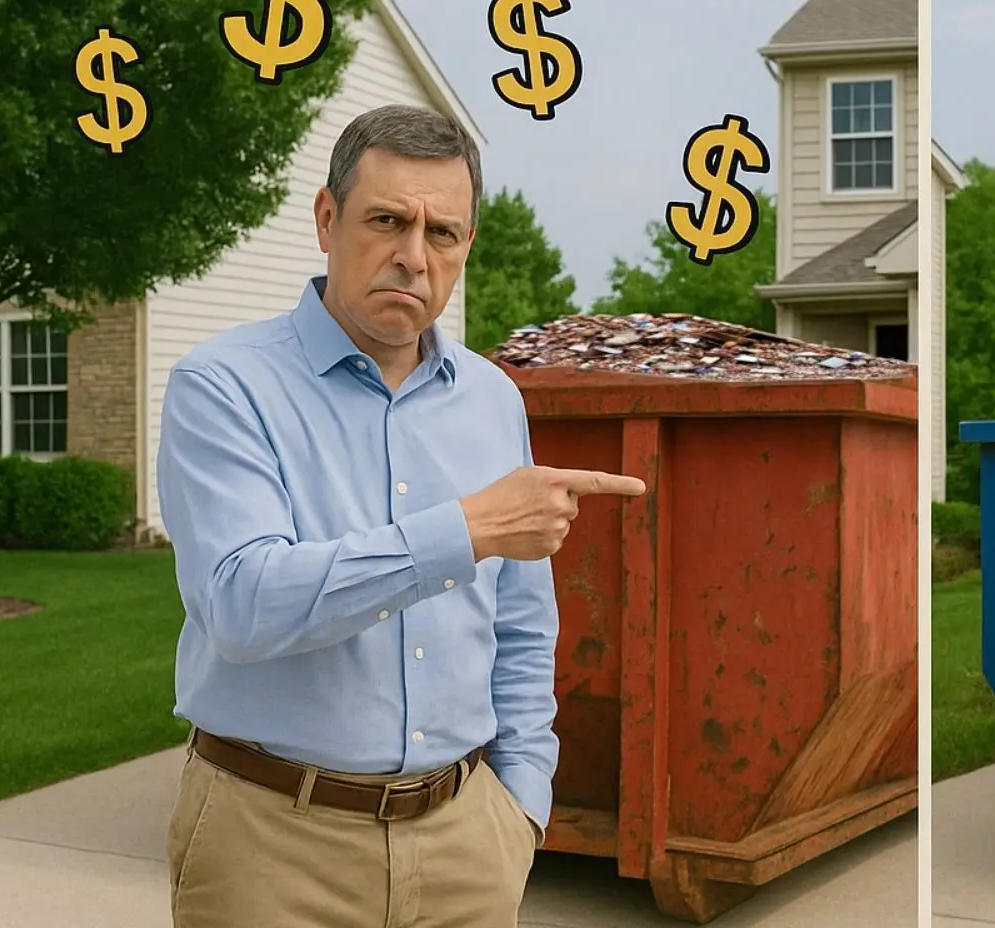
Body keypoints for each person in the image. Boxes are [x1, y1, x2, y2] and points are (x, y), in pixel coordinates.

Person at [156, 104, 645, 927]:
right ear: (326, 218)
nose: (413, 257)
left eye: (443, 233)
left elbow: (523, 630)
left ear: (464, 248)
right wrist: (466, 531)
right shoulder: (224, 386)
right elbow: (241, 605)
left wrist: (519, 807)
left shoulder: (492, 399)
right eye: (387, 220)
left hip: (466, 845)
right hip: (273, 847)